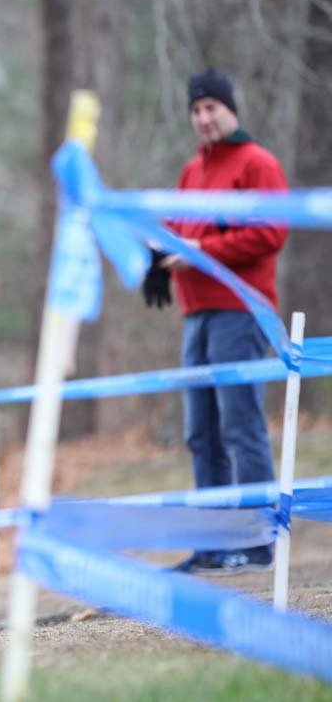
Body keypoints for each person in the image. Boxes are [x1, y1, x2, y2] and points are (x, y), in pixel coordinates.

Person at [143, 68, 288, 575]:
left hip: (240, 311)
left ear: (231, 109)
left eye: (212, 109)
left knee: (239, 426)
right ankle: (212, 541)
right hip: (196, 315)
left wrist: (205, 252)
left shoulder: (257, 163)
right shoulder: (192, 172)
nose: (204, 118)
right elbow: (179, 231)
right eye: (197, 111)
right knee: (200, 432)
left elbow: (270, 235)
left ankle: (254, 541)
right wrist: (157, 254)